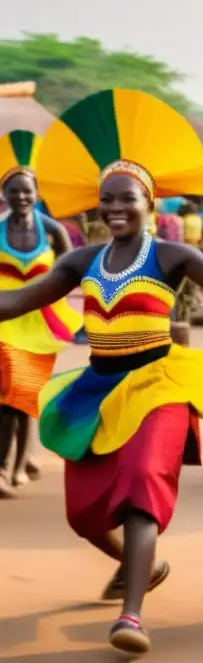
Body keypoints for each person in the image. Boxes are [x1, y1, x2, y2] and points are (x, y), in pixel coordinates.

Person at [0, 89, 203, 656]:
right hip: (96, 390)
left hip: (158, 385)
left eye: (127, 198)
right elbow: (18, 301)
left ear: (149, 202)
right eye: (106, 200)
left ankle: (132, 616)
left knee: (142, 488)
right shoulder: (81, 261)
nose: (115, 208)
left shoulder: (171, 256)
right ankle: (146, 564)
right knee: (84, 516)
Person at [0, 130, 83, 498]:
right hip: (3, 321)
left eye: (27, 191)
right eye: (13, 190)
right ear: (3, 193)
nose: (20, 197)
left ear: (37, 194)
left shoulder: (53, 231)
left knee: (24, 397)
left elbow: (71, 271)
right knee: (6, 398)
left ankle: (19, 463)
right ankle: (6, 467)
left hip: (39, 324)